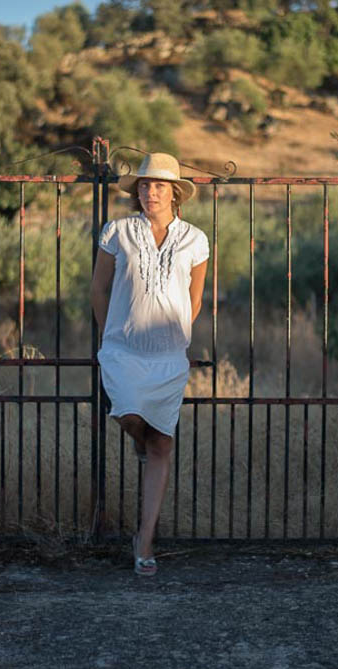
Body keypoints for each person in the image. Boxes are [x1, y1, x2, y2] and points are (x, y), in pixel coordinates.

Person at [90, 152, 209, 576]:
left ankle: (144, 540)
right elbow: (98, 290)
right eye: (144, 185)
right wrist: (110, 335)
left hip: (168, 356)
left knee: (162, 444)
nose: (150, 192)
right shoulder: (117, 231)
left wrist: (176, 333)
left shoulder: (195, 240)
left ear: (175, 193)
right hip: (122, 350)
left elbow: (195, 298)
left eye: (158, 185)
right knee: (128, 414)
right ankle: (138, 441)